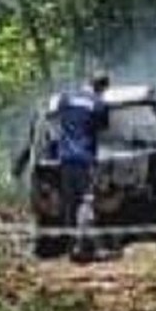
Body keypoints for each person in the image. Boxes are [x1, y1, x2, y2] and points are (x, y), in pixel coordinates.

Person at [58, 71, 110, 261]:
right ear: (103, 88)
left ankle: (71, 247)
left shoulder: (66, 97)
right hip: (84, 158)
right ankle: (88, 248)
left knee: (70, 204)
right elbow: (103, 129)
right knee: (86, 202)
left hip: (64, 158)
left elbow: (60, 118)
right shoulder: (99, 104)